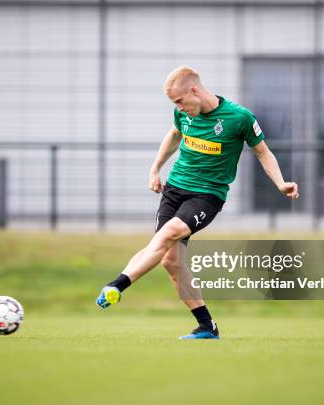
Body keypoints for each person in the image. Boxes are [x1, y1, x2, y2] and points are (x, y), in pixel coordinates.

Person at [96, 66, 299, 339]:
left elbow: (263, 152)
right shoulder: (182, 113)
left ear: (193, 90)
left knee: (168, 234)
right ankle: (207, 326)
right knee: (170, 260)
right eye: (174, 104)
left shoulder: (239, 117)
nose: (178, 108)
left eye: (179, 101)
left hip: (207, 195)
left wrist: (280, 182)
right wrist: (155, 168)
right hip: (175, 188)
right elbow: (174, 135)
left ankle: (117, 285)